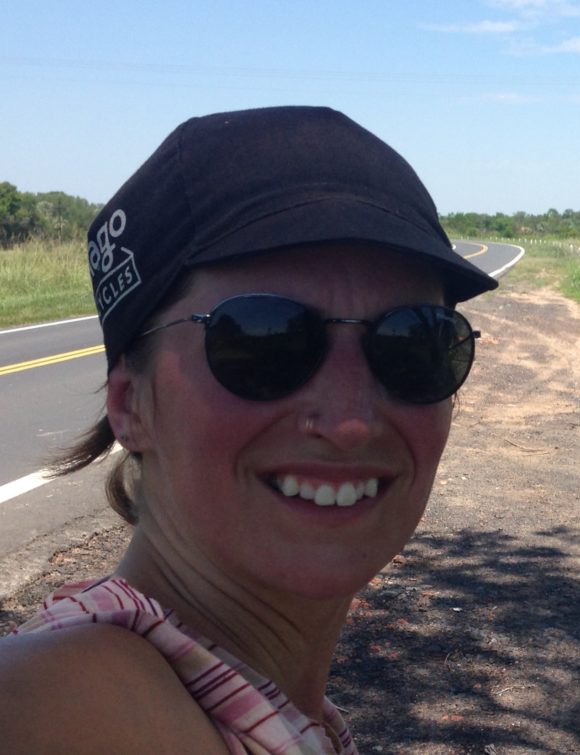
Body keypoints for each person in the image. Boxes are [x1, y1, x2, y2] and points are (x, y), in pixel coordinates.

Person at [0, 106, 497, 753]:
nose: (349, 421)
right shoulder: (68, 705)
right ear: (131, 404)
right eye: (263, 341)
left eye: (416, 344)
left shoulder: (267, 707)